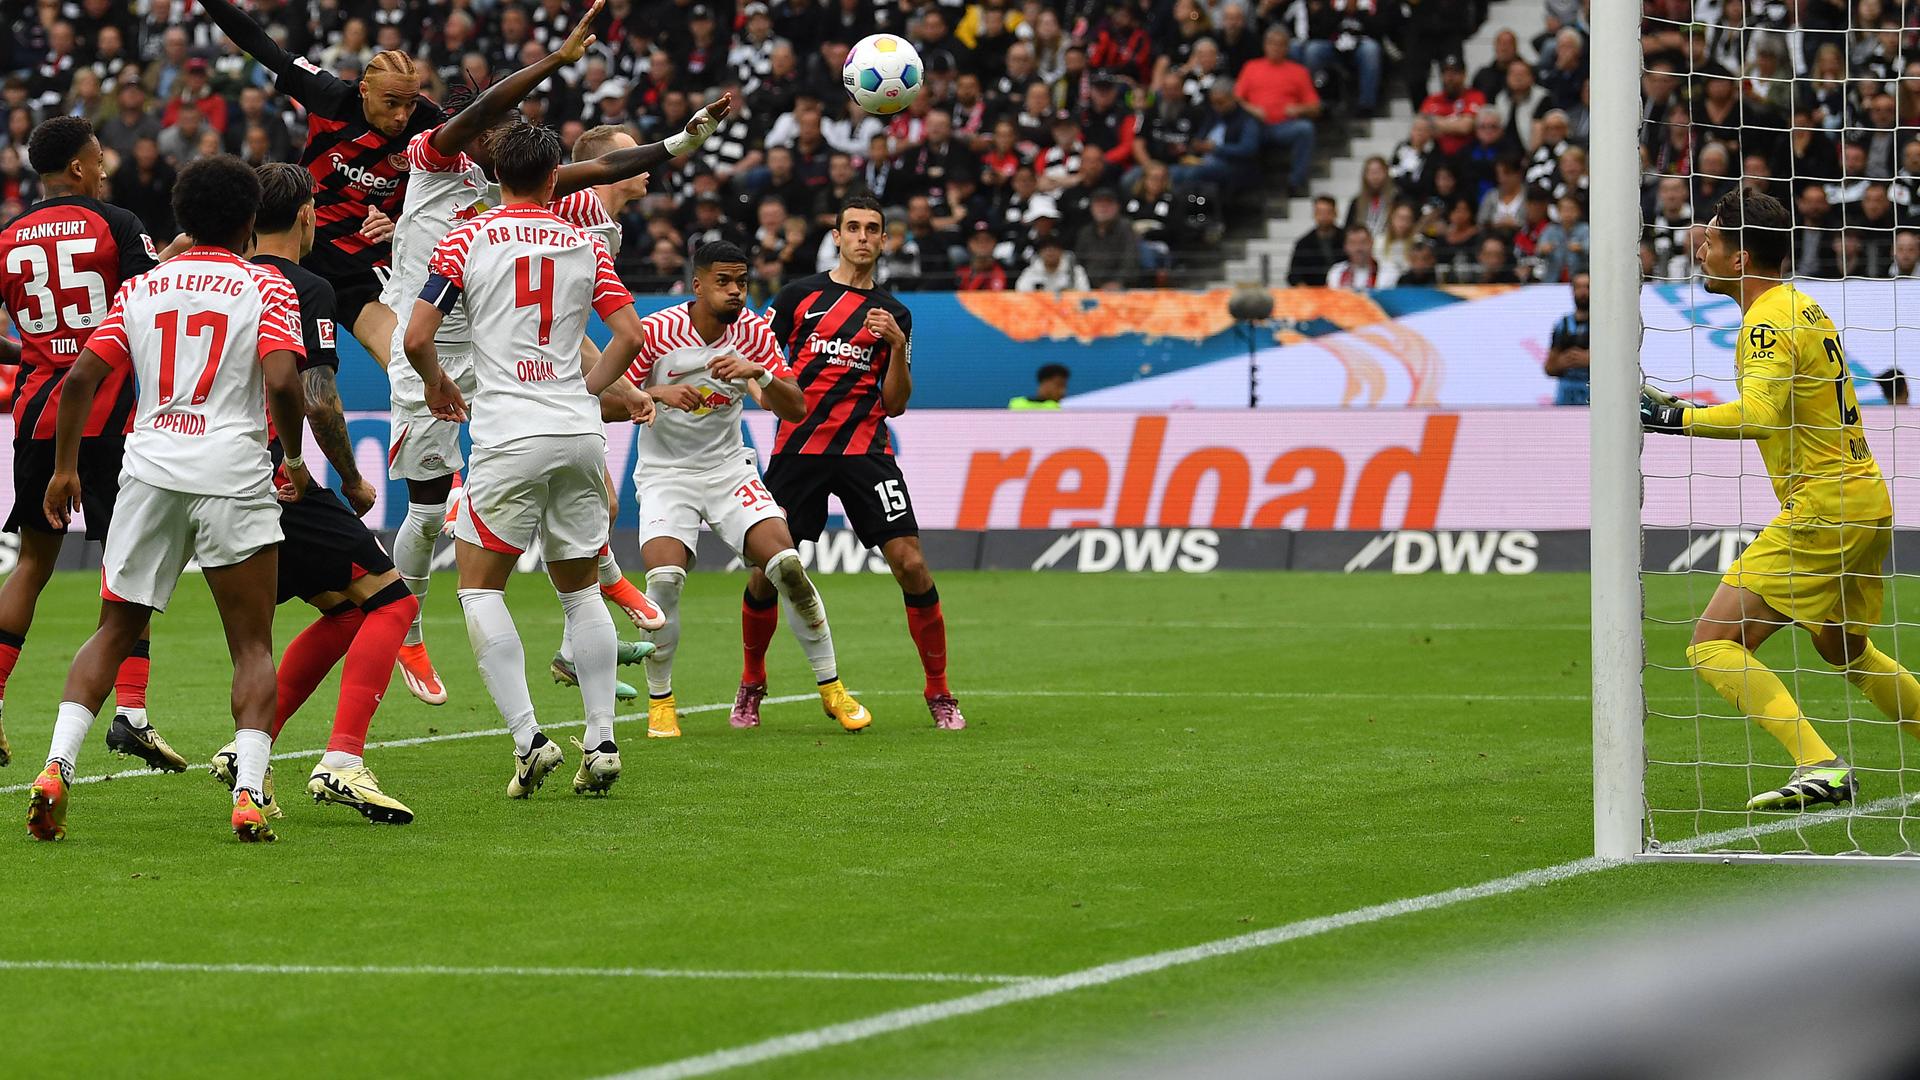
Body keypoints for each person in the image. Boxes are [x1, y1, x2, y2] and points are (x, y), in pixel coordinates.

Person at [379, 28, 726, 704]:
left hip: (493, 350)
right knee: (426, 509)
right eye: (498, 129)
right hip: (428, 352)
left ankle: (603, 577)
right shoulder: (433, 157)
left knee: (567, 455)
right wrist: (557, 61)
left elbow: (603, 168)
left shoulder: (509, 187)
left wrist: (682, 142)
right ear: (476, 130)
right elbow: (483, 112)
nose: (508, 139)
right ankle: (409, 632)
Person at [28, 154, 314, 842]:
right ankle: (248, 794)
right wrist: (293, 456)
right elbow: (282, 381)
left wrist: (64, 468)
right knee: (251, 645)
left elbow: (81, 380)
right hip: (231, 473)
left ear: (183, 217)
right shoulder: (267, 286)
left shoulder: (143, 286)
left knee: (113, 629)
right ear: (250, 221)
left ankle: (56, 767)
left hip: (150, 470)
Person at [1642, 188, 1920, 811]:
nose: (1700, 248)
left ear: (1740, 258)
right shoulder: (1802, 306)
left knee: (1713, 641)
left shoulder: (1766, 321)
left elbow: (1760, 416)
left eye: (1712, 239)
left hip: (1823, 506)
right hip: (1864, 499)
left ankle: (1820, 766)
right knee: (1841, 646)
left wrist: (1676, 419)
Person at [402, 123, 650, 799]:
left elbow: (418, 336)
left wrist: (436, 384)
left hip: (509, 432)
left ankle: (528, 739)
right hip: (577, 432)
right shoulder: (584, 242)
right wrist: (587, 390)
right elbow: (630, 335)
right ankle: (601, 742)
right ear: (553, 180)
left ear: (495, 176)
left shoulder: (466, 235)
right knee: (581, 591)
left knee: (481, 589)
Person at [583, 241, 869, 736]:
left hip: (729, 472)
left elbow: (796, 408)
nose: (735, 291)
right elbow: (601, 401)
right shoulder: (656, 331)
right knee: (664, 581)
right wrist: (654, 393)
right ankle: (661, 701)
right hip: (667, 476)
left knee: (787, 567)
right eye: (724, 281)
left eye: (741, 281)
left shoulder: (753, 332)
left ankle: (832, 687)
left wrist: (760, 373)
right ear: (698, 285)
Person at [206, 163, 418, 825]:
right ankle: (343, 760)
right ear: (307, 216)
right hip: (271, 478)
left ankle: (246, 750)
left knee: (346, 610)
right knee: (393, 601)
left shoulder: (221, 279)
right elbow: (317, 396)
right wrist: (351, 478)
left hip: (200, 473)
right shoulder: (305, 286)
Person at [740, 196, 965, 731]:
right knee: (766, 572)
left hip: (866, 451)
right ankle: (751, 682)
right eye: (854, 228)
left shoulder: (894, 315)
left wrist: (896, 346)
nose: (863, 237)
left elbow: (897, 403)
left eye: (873, 229)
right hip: (799, 451)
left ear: (884, 241)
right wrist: (764, 393)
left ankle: (939, 692)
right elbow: (756, 355)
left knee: (910, 563)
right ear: (837, 236)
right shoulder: (798, 297)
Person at [0, 116, 176, 775]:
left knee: (31, 564)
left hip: (37, 415)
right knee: (128, 563)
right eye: (99, 158)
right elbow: (151, 298)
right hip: (111, 417)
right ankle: (131, 713)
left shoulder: (8, 235)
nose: (105, 169)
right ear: (78, 167)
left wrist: (28, 354)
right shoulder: (117, 224)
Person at [197, 0, 445, 365]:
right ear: (364, 90)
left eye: (410, 104)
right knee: (255, 357)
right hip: (298, 244)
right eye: (392, 103)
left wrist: (401, 226)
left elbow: (447, 192)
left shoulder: (430, 124)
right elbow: (259, 43)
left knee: (406, 366)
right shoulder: (329, 96)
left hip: (363, 263)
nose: (401, 116)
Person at [1233, 26, 1317, 195]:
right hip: (1257, 125)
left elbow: (1315, 107)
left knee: (1305, 129)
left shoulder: (1299, 72)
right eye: (1272, 43)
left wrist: (1299, 109)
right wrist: (1252, 109)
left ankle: (1296, 182)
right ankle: (1246, 183)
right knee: (1248, 127)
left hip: (1284, 126)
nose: (1275, 48)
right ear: (1265, 45)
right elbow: (1236, 99)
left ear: (1287, 47)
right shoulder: (1251, 67)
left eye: (1280, 44)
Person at [1544, 271, 1590, 406]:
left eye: (1587, 287)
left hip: (1595, 394)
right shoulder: (1562, 325)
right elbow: (1549, 368)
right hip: (1565, 397)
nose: (1583, 292)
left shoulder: (1604, 325)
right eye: (1579, 287)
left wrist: (1592, 360)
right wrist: (1562, 363)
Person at [1288, 195, 1343, 286]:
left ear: (1335, 213)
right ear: (1314, 214)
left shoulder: (1347, 239)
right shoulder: (1303, 243)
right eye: (1319, 212)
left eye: (1327, 212)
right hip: (1313, 290)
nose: (1323, 217)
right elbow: (1294, 275)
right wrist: (1304, 289)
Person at [1325, 224, 1398, 289]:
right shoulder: (1336, 272)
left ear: (1371, 243)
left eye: (1363, 242)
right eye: (1353, 243)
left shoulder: (1389, 271)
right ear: (1345, 247)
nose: (1358, 248)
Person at [1014, 235, 1090, 291]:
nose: (1050, 252)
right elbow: (1020, 291)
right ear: (1040, 253)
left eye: (1054, 248)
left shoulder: (1076, 271)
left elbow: (1084, 293)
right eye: (1046, 248)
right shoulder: (1031, 271)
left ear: (1061, 251)